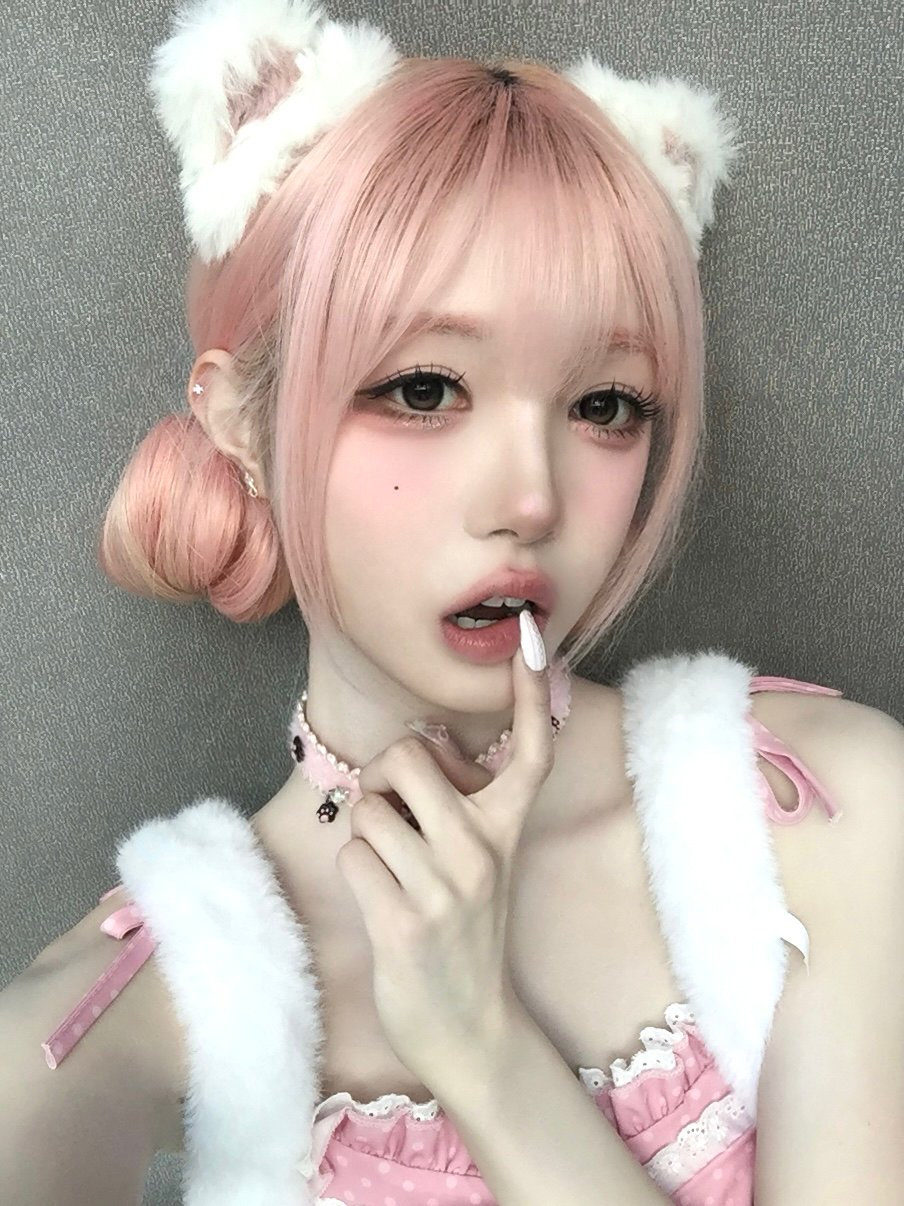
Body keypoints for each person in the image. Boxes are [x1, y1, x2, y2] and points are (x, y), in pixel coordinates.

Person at [2, 2, 902, 1204]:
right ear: (243, 426)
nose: (529, 500)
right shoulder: (109, 1026)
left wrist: (481, 1047)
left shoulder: (824, 815)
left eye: (604, 405)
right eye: (424, 389)